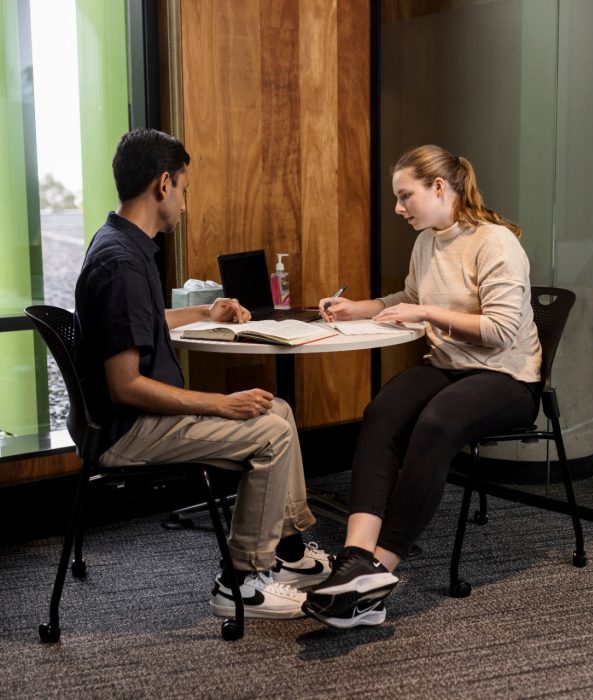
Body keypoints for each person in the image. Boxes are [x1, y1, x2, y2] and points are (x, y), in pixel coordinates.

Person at [74, 128, 331, 620]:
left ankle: (290, 552)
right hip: (123, 430)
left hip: (121, 419)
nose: (185, 204)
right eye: (185, 190)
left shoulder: (122, 245)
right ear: (164, 185)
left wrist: (202, 314)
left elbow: (141, 326)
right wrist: (220, 403)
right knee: (271, 432)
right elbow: (124, 385)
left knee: (277, 407)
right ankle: (241, 582)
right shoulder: (122, 263)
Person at [304, 144, 542, 629]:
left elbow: (499, 331)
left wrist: (426, 313)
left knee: (435, 422)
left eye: (404, 195)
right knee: (382, 412)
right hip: (450, 367)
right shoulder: (428, 241)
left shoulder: (495, 242)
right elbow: (411, 298)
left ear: (439, 188)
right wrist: (361, 307)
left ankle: (377, 573)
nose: (398, 208)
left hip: (507, 378)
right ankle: (354, 558)